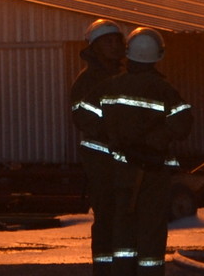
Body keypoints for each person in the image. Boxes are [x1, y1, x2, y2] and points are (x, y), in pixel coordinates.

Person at [96, 27, 194, 273]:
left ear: (128, 53)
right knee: (150, 231)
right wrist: (156, 139)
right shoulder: (162, 89)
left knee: (123, 231)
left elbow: (99, 123)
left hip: (120, 171)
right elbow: (183, 124)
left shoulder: (111, 87)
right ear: (158, 55)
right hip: (152, 172)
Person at [71, 18, 127, 275]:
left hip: (129, 159)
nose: (115, 46)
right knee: (106, 219)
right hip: (102, 162)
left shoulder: (127, 77)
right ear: (95, 47)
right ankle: (104, 270)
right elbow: (82, 119)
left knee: (129, 218)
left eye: (118, 41)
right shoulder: (87, 82)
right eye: (108, 41)